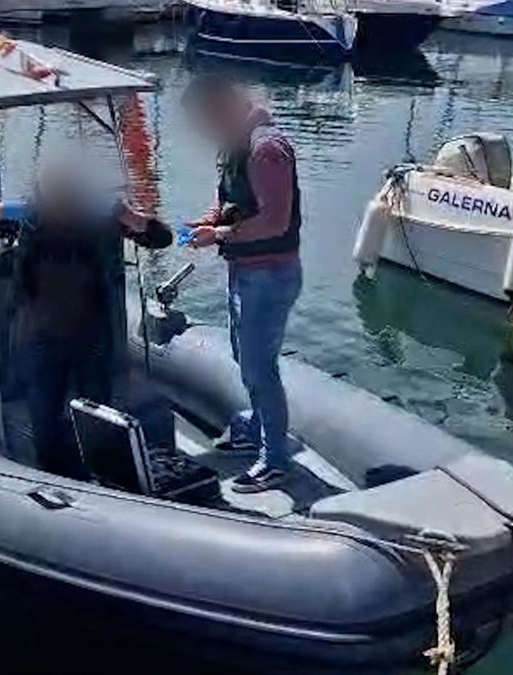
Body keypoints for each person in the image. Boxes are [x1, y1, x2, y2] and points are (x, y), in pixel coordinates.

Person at [0, 160, 171, 479]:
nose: (63, 205)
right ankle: (55, 477)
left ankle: (103, 476)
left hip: (91, 334)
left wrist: (137, 220)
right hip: (39, 336)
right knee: (45, 420)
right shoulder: (25, 218)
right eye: (56, 196)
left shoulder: (101, 218)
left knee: (97, 414)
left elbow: (162, 238)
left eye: (68, 196)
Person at [182, 74, 303, 494]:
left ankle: (275, 461)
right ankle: (256, 428)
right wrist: (209, 220)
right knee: (243, 355)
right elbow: (229, 198)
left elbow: (275, 220)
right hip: (246, 271)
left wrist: (217, 236)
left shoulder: (266, 149)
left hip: (269, 275)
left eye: (202, 120)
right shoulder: (234, 144)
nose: (200, 130)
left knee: (259, 367)